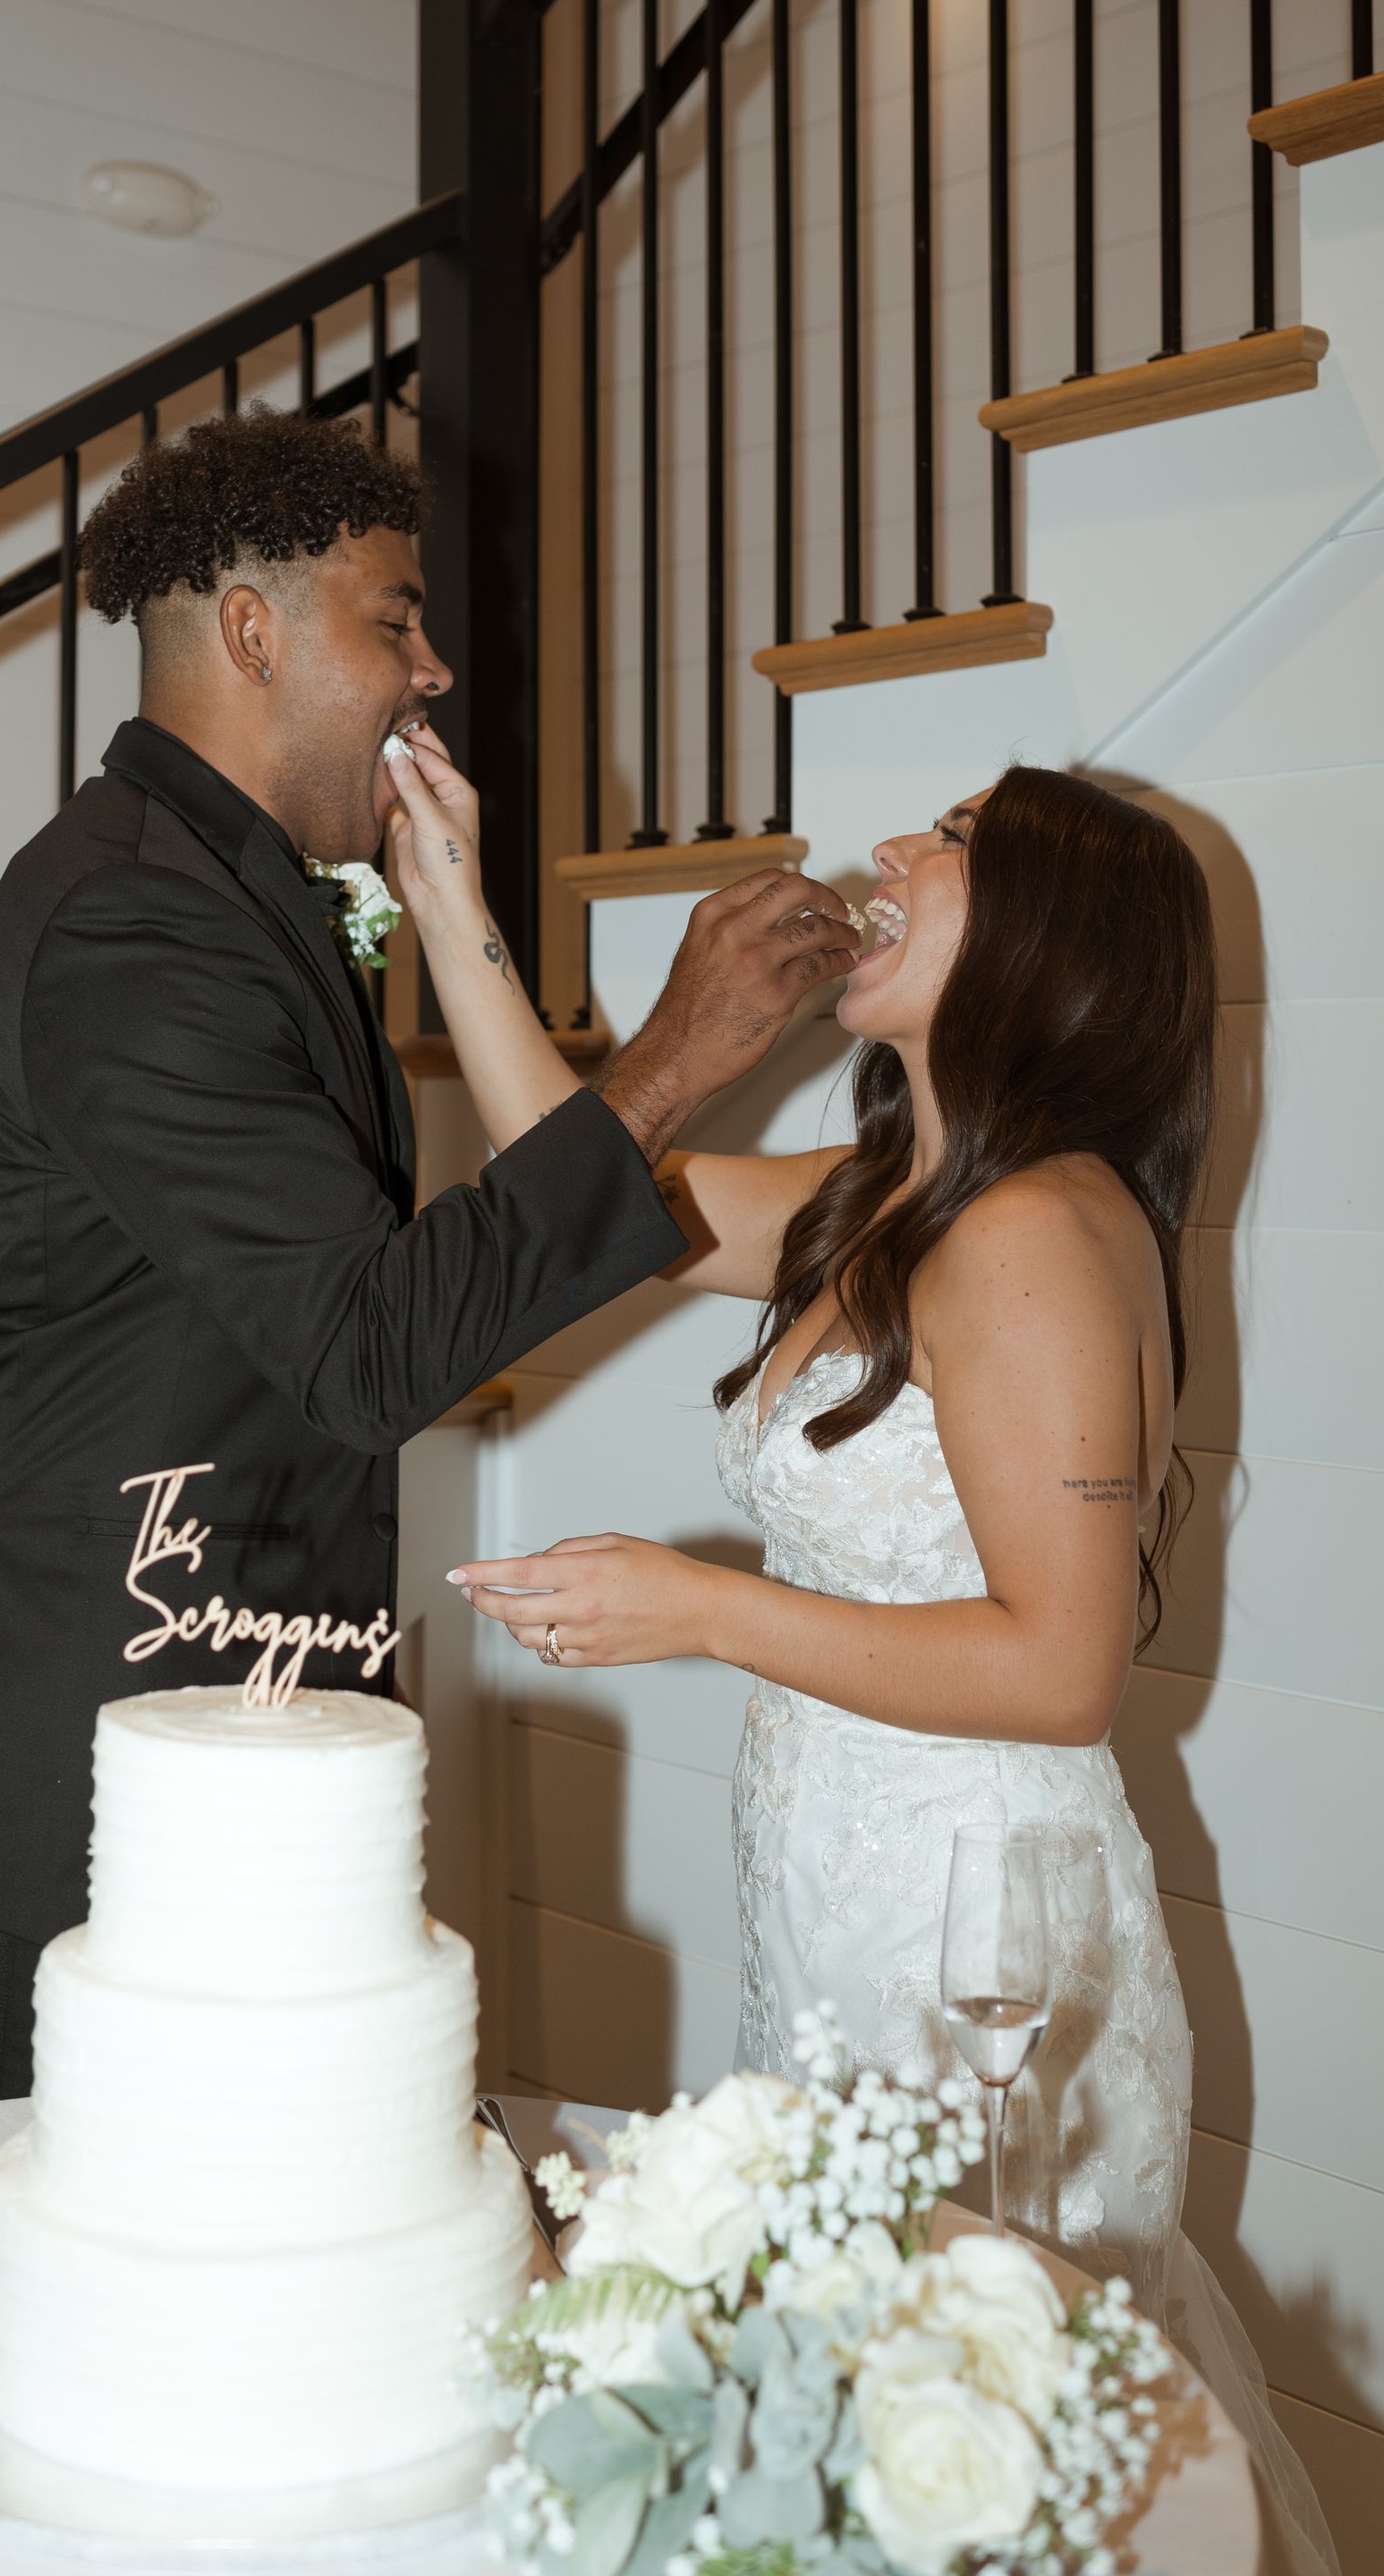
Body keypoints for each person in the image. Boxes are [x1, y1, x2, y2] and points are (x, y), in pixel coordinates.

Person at [0, 406, 862, 2115]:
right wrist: (674, 1053)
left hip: (229, 1666)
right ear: (251, 631)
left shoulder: (245, 891)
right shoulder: (133, 922)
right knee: (35, 2250)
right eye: (396, 620)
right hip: (79, 1690)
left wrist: (447, 912)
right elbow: (374, 1349)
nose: (432, 670)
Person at [417, 758, 1335, 2576]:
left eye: (959, 840)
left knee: (985, 2445)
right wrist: (443, 886)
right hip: (846, 1893)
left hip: (986, 1944)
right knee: (865, 2420)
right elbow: (578, 1175)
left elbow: (1063, 1666)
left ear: (1055, 947)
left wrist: (699, 1605)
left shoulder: (1040, 1230)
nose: (894, 850)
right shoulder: (885, 1193)